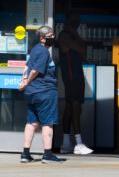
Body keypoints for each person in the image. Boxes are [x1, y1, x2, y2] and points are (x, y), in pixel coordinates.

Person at [17, 25, 65, 164]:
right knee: (48, 123)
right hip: (45, 92)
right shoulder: (44, 52)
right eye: (50, 36)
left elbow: (26, 67)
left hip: (32, 93)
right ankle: (48, 155)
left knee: (31, 122)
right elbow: (35, 70)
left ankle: (25, 154)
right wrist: (26, 82)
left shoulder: (35, 50)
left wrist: (24, 82)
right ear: (42, 38)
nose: (53, 38)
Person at [57, 12, 93, 154]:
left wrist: (76, 38)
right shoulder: (65, 35)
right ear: (68, 21)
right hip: (72, 75)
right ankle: (78, 143)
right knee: (75, 107)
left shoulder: (69, 35)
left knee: (70, 107)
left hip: (74, 74)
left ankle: (66, 143)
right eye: (75, 19)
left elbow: (83, 53)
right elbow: (82, 50)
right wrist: (76, 36)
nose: (77, 22)